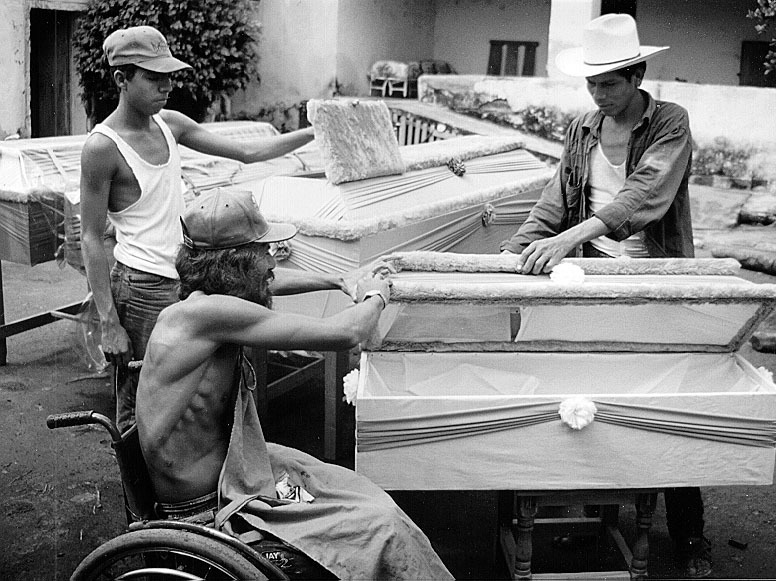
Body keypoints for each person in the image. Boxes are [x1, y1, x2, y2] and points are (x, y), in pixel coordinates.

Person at [133, 188, 453, 580]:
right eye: (265, 252)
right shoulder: (211, 314)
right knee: (381, 525)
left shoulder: (201, 300)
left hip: (237, 473)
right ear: (237, 264)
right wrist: (376, 295)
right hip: (216, 504)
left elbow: (271, 281)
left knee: (351, 490)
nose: (272, 261)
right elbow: (348, 332)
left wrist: (339, 279)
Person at [500, 13, 711, 579]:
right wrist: (509, 254)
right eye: (591, 83)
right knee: (592, 392)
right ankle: (602, 517)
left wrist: (567, 239)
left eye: (609, 83)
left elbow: (643, 198)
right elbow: (554, 199)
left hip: (654, 279)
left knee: (666, 398)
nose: (598, 93)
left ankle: (690, 535)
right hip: (592, 277)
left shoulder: (670, 122)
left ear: (637, 75)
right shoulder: (582, 128)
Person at [79, 25, 316, 431]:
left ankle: (188, 486)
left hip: (186, 277)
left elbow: (247, 151)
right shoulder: (103, 147)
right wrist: (110, 321)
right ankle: (137, 492)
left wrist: (317, 133)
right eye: (153, 77)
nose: (166, 86)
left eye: (169, 75)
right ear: (121, 79)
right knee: (141, 400)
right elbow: (90, 236)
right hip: (140, 289)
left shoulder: (169, 123)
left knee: (192, 392)